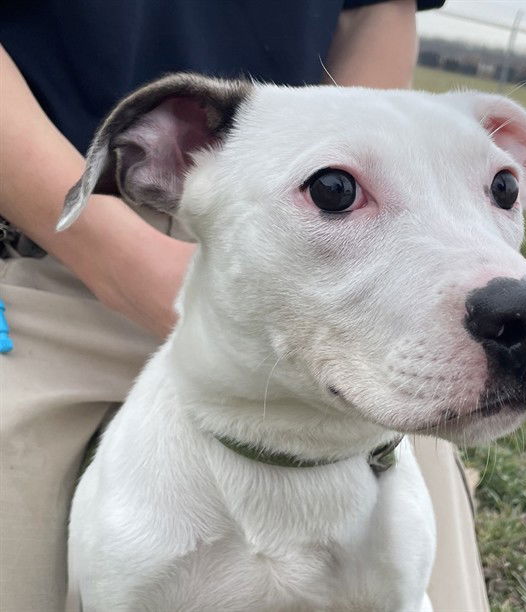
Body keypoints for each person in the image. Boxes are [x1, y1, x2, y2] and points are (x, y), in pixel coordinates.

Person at [0, 1, 488, 609]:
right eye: (334, 191)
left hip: (322, 263)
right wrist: (121, 261)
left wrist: (340, 188)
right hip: (52, 238)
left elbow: (379, 10)